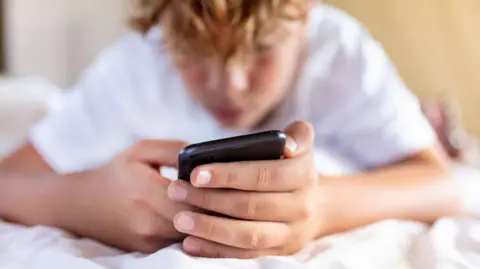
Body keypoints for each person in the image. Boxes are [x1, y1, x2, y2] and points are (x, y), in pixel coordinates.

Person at [0, 0, 462, 259]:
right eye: (196, 53)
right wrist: (84, 202)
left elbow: (445, 186)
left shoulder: (339, 54)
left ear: (303, 14)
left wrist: (321, 206)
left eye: (260, 50)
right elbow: (8, 181)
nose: (231, 86)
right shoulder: (139, 62)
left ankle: (428, 118)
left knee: (428, 134)